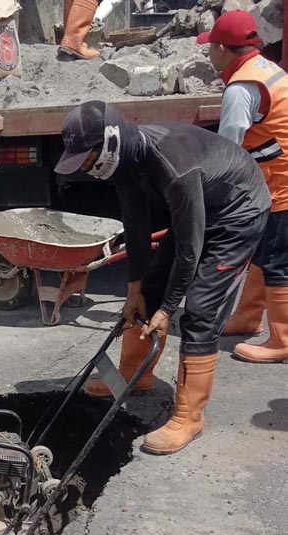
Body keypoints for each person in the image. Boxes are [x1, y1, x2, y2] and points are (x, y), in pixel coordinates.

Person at [55, 101, 270, 454]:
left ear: (108, 143)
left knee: (201, 308)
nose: (88, 168)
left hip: (237, 213)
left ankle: (189, 417)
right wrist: (134, 289)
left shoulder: (171, 163)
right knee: (152, 286)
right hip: (199, 209)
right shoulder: (124, 163)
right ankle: (133, 376)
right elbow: (136, 226)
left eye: (88, 159)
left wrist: (169, 309)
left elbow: (190, 248)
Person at [197, 11, 288, 363]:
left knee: (277, 261)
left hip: (278, 184)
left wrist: (213, 197)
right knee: (262, 254)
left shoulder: (240, 89)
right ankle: (248, 319)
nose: (208, 53)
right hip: (277, 177)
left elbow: (228, 150)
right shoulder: (268, 69)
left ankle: (281, 340)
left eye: (210, 47)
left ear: (221, 48)